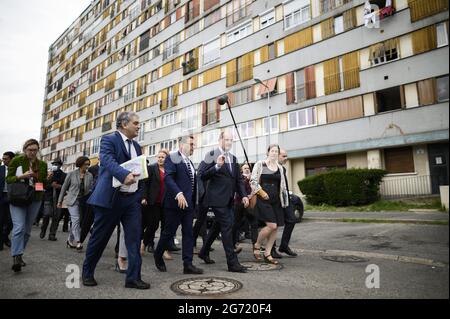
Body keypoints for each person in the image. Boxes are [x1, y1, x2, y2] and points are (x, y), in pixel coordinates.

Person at [82, 111, 150, 289]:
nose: (138, 126)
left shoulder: (136, 146)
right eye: (135, 123)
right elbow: (107, 161)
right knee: (100, 238)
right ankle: (87, 272)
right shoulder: (109, 140)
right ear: (124, 124)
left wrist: (140, 194)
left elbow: (140, 170)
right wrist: (124, 174)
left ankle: (133, 278)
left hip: (131, 201)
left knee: (134, 239)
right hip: (110, 199)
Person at [197, 130, 249, 273]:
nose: (229, 142)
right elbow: (201, 174)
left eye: (231, 140)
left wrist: (243, 195)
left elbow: (238, 179)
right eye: (227, 140)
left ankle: (204, 251)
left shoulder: (233, 158)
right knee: (228, 226)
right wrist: (217, 166)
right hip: (216, 199)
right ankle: (232, 263)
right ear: (220, 139)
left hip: (229, 200)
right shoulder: (211, 155)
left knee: (217, 227)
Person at [154, 135, 203, 275]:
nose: (194, 147)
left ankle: (188, 264)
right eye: (191, 144)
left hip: (188, 206)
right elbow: (168, 177)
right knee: (168, 233)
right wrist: (178, 193)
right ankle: (158, 255)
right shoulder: (172, 158)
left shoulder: (190, 162)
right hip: (174, 204)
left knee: (188, 233)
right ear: (182, 145)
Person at [6, 139, 48, 272]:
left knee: (27, 230)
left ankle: (19, 254)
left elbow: (42, 183)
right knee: (19, 227)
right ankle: (16, 258)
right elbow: (8, 179)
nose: (33, 152)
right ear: (25, 149)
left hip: (35, 198)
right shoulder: (17, 160)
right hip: (18, 197)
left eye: (35, 150)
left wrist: (43, 179)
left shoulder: (41, 164)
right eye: (30, 150)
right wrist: (21, 177)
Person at [250, 144, 288, 265]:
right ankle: (257, 245)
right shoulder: (260, 164)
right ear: (267, 153)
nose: (274, 153)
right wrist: (261, 192)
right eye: (272, 151)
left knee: (276, 227)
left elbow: (282, 186)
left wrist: (285, 200)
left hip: (276, 200)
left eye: (276, 152)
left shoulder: (280, 168)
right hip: (263, 199)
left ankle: (268, 253)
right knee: (271, 225)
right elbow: (253, 180)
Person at [57, 156, 94, 251]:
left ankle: (69, 240)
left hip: (83, 201)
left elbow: (91, 188)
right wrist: (60, 201)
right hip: (72, 200)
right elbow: (64, 188)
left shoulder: (89, 175)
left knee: (79, 222)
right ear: (80, 164)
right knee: (76, 220)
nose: (87, 166)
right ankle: (78, 242)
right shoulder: (71, 174)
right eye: (86, 164)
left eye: (88, 164)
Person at [275, 149, 298, 257]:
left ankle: (284, 246)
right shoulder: (270, 168)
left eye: (286, 156)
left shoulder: (283, 169)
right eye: (284, 156)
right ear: (277, 156)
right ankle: (270, 250)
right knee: (273, 225)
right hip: (274, 201)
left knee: (292, 220)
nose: (286, 158)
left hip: (285, 199)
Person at [40, 158, 66, 241]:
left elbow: (66, 186)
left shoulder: (64, 175)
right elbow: (42, 186)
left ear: (60, 165)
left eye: (57, 164)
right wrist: (50, 183)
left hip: (59, 198)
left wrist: (60, 187)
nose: (56, 165)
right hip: (49, 197)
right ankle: (43, 229)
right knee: (46, 214)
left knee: (56, 217)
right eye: (54, 164)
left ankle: (52, 234)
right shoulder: (49, 174)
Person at [232, 163, 257, 251]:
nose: (247, 169)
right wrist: (247, 179)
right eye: (245, 168)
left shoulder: (252, 178)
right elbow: (239, 187)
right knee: (236, 224)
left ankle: (256, 246)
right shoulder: (241, 178)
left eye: (248, 168)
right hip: (239, 204)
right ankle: (233, 244)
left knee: (254, 223)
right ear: (241, 170)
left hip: (250, 204)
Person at [0, 151, 15, 250]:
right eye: (3, 158)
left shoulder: (17, 169)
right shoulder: (0, 169)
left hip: (12, 197)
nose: (3, 160)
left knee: (11, 222)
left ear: (11, 159)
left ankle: (5, 236)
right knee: (0, 220)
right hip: (1, 196)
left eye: (6, 159)